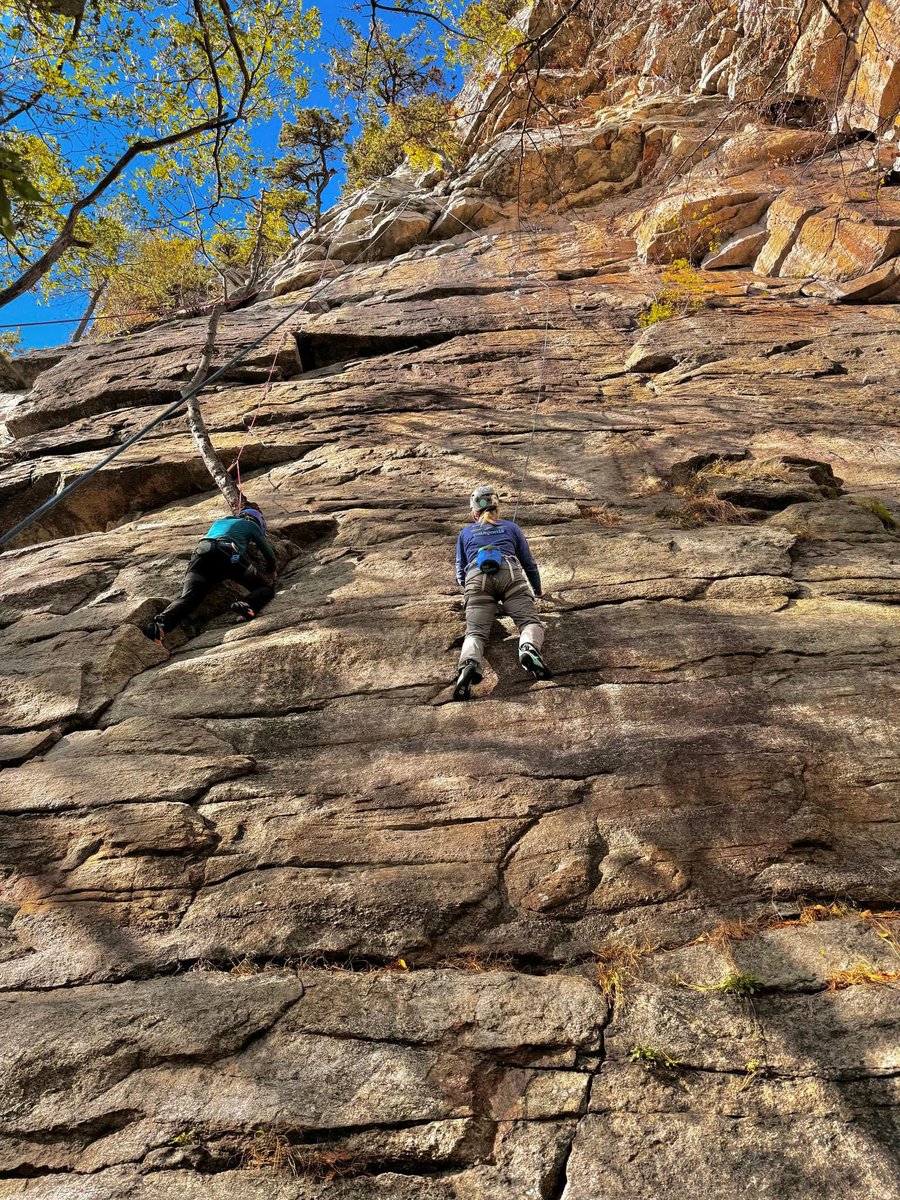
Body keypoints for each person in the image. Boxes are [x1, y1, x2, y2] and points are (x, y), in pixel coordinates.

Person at [453, 484, 550, 700]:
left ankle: (469, 664)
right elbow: (529, 563)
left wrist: (471, 593)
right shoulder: (511, 527)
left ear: (473, 513)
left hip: (476, 578)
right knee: (529, 622)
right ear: (497, 509)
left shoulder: (465, 533)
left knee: (475, 632)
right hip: (510, 574)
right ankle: (527, 647)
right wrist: (537, 590)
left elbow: (460, 572)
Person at [142, 505, 278, 643]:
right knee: (264, 588)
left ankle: (159, 626)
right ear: (258, 522)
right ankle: (247, 604)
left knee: (190, 597)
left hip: (201, 555)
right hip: (227, 554)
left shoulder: (219, 522)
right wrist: (272, 570)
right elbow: (268, 554)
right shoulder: (251, 525)